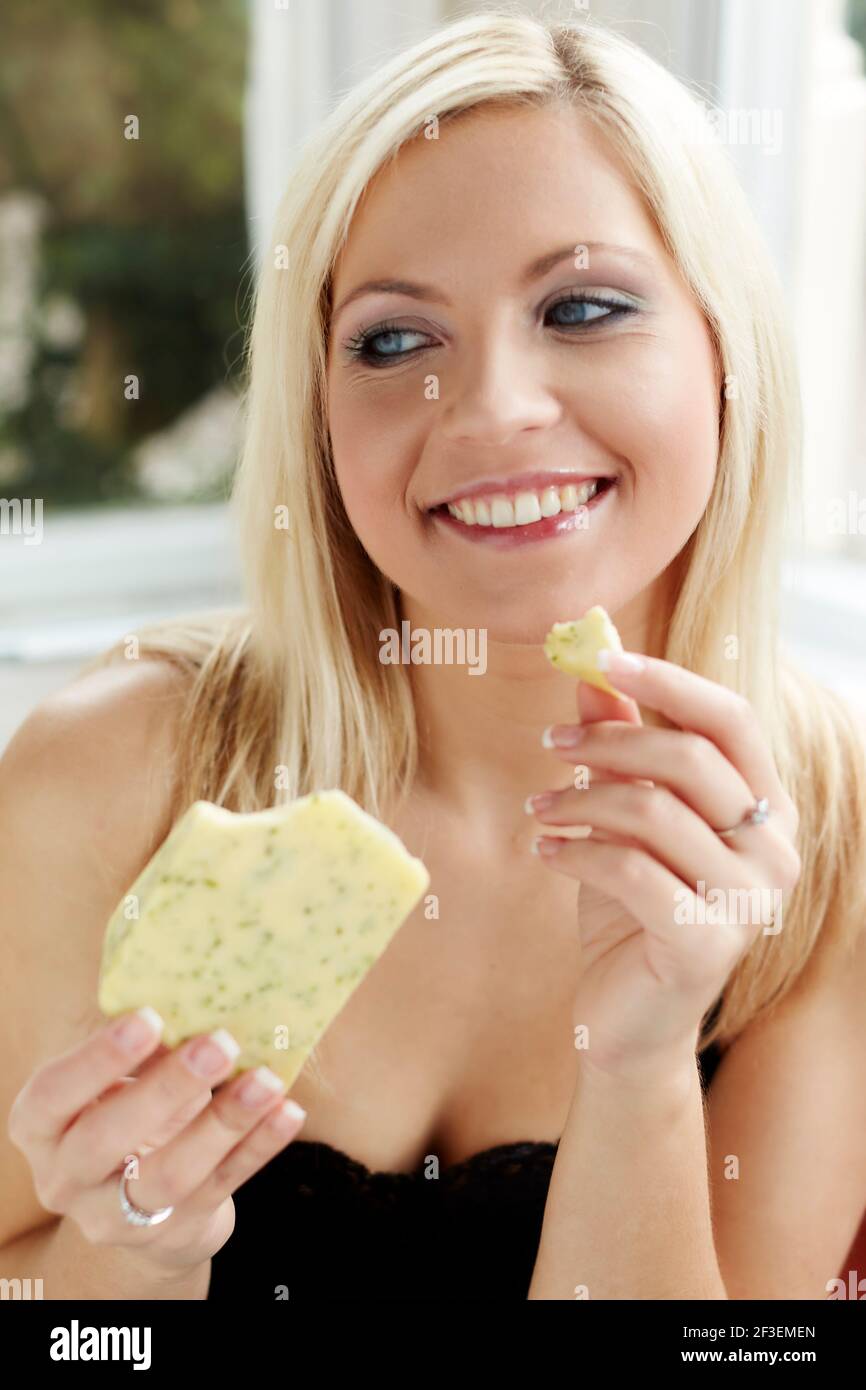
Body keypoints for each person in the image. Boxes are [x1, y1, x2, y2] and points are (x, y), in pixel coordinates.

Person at [2, 9, 865, 1302]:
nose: (491, 408)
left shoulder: (831, 843)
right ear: (318, 412)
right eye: (394, 340)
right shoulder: (111, 773)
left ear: (722, 355)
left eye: (581, 307)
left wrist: (636, 1069)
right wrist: (132, 1247)